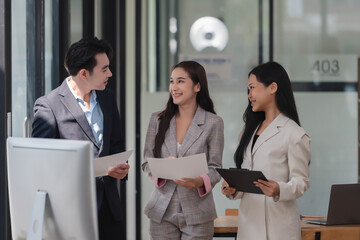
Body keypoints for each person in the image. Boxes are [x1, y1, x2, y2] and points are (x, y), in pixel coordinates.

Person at [32, 37, 129, 240]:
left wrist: (122, 167)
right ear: (84, 73)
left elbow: (116, 144)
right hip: (70, 214)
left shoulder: (108, 98)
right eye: (104, 69)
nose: (110, 74)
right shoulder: (49, 106)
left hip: (109, 213)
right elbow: (41, 164)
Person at [221, 61, 310, 240]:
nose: (249, 95)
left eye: (252, 88)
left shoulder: (294, 133)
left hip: (278, 228)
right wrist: (233, 188)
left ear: (273, 87)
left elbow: (301, 182)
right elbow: (247, 176)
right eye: (248, 90)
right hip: (249, 227)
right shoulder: (247, 132)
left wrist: (279, 189)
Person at [142, 61, 224, 239]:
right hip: (161, 212)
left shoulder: (213, 123)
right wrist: (163, 168)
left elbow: (216, 168)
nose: (174, 87)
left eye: (180, 81)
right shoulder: (157, 120)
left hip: (198, 212)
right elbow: (146, 162)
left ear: (197, 86)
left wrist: (198, 182)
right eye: (172, 81)